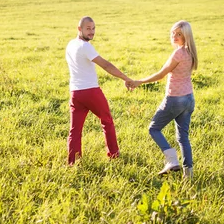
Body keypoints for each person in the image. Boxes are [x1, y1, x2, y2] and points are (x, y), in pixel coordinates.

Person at [127, 20, 198, 179]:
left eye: (179, 34)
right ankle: (189, 174)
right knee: (183, 137)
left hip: (175, 99)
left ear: (186, 36)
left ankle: (172, 160)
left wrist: (140, 82)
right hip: (189, 99)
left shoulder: (178, 53)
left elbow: (161, 74)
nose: (174, 36)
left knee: (153, 128)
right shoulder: (190, 52)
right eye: (173, 32)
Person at [65, 16, 132, 165]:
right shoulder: (85, 47)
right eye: (88, 29)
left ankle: (73, 161)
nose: (91, 32)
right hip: (90, 91)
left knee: (75, 129)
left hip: (75, 93)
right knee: (107, 120)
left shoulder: (70, 44)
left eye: (93, 28)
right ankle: (113, 154)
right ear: (79, 29)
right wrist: (125, 78)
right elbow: (106, 66)